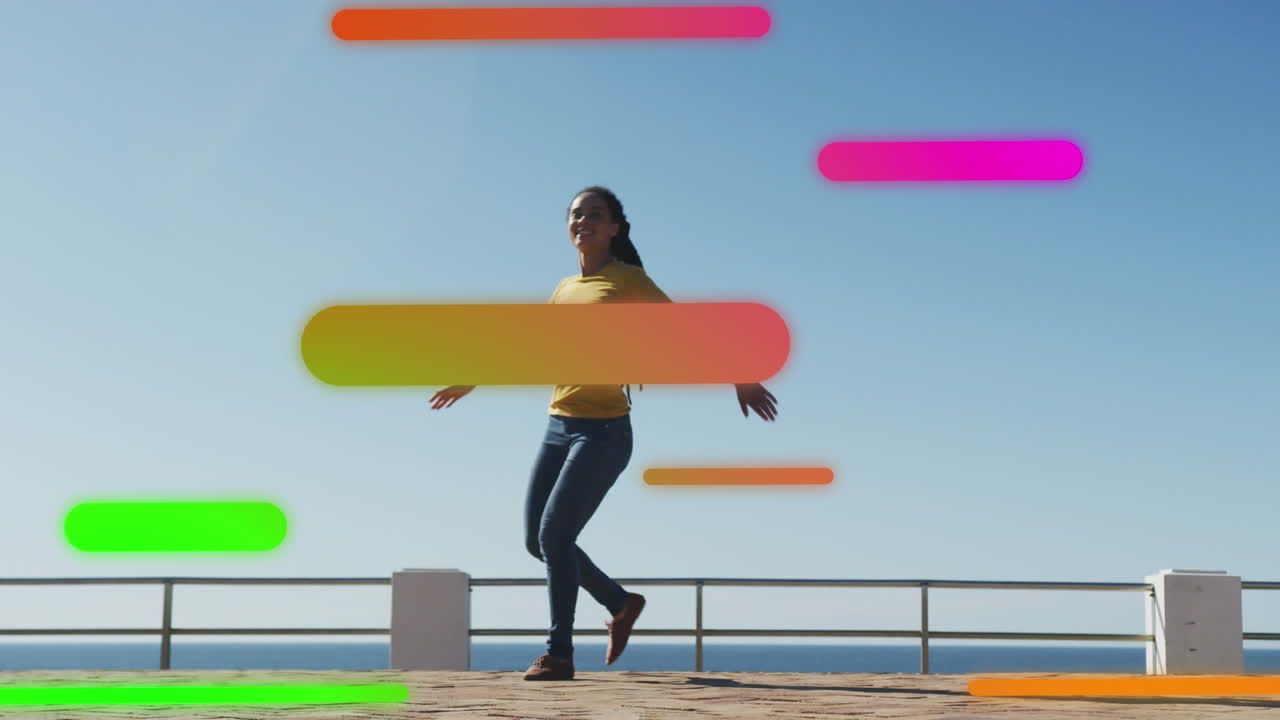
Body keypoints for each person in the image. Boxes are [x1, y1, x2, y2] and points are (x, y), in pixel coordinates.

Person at [429, 186, 778, 681]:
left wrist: (740, 375)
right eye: (576, 214)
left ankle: (559, 654)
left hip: (605, 432)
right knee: (537, 540)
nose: (583, 221)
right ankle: (620, 601)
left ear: (615, 227)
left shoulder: (627, 280)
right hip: (558, 426)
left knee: (555, 534)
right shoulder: (565, 287)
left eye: (595, 214)